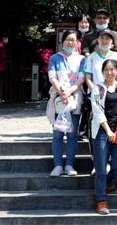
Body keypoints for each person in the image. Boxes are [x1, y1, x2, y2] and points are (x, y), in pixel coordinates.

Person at [46, 30, 85, 177]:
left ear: (77, 42)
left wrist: (69, 92)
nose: (70, 42)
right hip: (58, 99)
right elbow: (52, 76)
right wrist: (61, 91)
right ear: (63, 41)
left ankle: (69, 164)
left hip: (74, 100)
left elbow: (81, 79)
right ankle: (57, 165)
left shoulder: (82, 59)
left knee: (72, 135)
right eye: (68, 39)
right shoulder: (55, 58)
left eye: (73, 40)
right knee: (57, 134)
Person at [91, 59, 117, 215]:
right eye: (107, 69)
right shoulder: (97, 89)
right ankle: (101, 201)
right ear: (102, 71)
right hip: (101, 133)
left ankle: (109, 184)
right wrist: (108, 131)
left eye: (113, 69)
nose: (110, 72)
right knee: (101, 169)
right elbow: (97, 112)